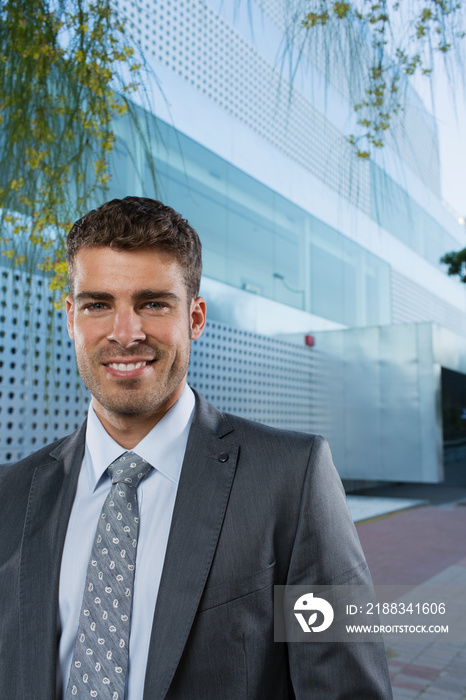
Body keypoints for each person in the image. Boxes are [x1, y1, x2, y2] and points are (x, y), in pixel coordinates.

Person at [0, 196, 392, 699]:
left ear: (196, 317)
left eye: (153, 303)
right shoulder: (11, 494)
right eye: (99, 304)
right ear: (71, 318)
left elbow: (348, 689)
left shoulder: (292, 479)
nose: (126, 333)